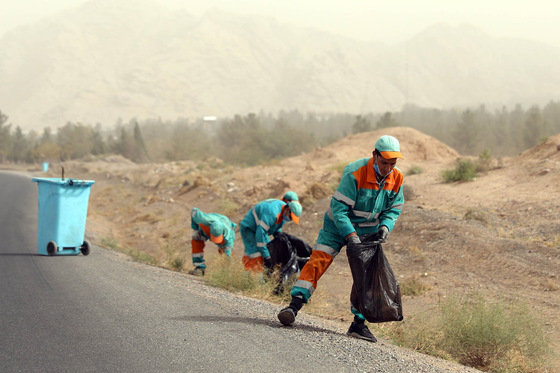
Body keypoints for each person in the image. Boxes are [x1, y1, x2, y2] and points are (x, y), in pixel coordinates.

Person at [277, 135, 405, 343]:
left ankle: (358, 324)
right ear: (374, 155)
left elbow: (394, 209)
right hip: (337, 227)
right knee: (319, 260)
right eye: (384, 163)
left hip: (367, 232)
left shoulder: (397, 178)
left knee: (366, 276)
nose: (388, 168)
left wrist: (385, 226)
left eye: (392, 164)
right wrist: (350, 235)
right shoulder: (354, 172)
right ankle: (293, 307)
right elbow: (339, 209)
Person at [240, 197, 303, 271]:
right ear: (287, 209)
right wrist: (266, 256)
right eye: (290, 217)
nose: (290, 219)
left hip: (260, 228)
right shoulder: (272, 213)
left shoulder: (282, 209)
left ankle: (250, 270)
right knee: (257, 255)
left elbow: (276, 223)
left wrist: (278, 233)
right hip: (249, 228)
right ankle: (251, 276)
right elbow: (260, 236)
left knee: (268, 249)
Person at [189, 207, 237, 276]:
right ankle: (200, 268)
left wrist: (229, 273)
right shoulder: (204, 220)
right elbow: (194, 210)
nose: (216, 241)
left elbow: (228, 254)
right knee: (196, 240)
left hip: (224, 225)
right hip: (207, 227)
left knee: (225, 254)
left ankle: (227, 274)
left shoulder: (228, 237)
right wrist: (195, 229)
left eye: (217, 238)